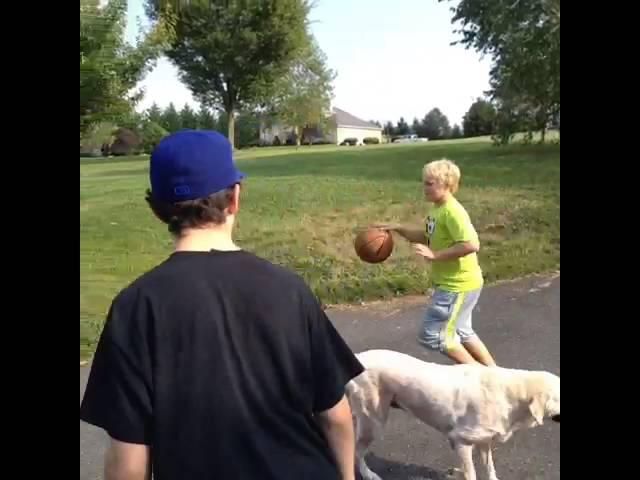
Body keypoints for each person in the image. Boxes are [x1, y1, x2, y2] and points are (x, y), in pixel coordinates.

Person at [80, 130, 364, 480]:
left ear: (157, 210)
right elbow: (335, 415)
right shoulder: (289, 288)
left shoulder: (136, 306)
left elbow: (129, 461)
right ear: (235, 199)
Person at [374, 159, 496, 366]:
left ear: (447, 184)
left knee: (434, 335)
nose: (424, 188)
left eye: (429, 183)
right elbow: (427, 236)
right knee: (461, 331)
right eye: (424, 183)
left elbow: (471, 244)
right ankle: (496, 375)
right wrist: (398, 228)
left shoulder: (452, 212)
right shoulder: (437, 210)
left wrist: (435, 255)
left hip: (456, 285)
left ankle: (480, 378)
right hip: (464, 283)